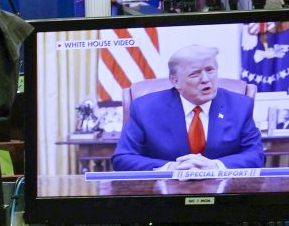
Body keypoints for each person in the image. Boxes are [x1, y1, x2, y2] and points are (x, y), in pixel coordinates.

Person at [110, 45, 264, 173]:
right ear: (175, 81)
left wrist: (215, 166)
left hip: (224, 195)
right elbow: (122, 158)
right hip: (164, 196)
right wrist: (170, 168)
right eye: (195, 74)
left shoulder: (240, 106)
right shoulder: (145, 109)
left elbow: (255, 154)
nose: (205, 79)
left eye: (210, 70)